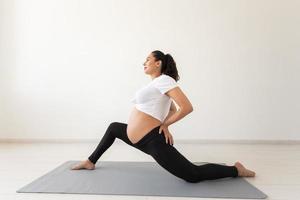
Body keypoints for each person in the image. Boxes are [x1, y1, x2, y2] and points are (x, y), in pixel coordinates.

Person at [71, 50, 255, 183]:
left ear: (158, 63)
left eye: (148, 59)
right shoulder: (155, 84)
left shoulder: (165, 80)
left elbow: (186, 107)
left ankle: (236, 170)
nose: (144, 63)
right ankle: (90, 161)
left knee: (192, 174)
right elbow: (173, 109)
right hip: (138, 138)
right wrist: (166, 122)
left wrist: (165, 125)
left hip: (152, 141)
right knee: (114, 127)